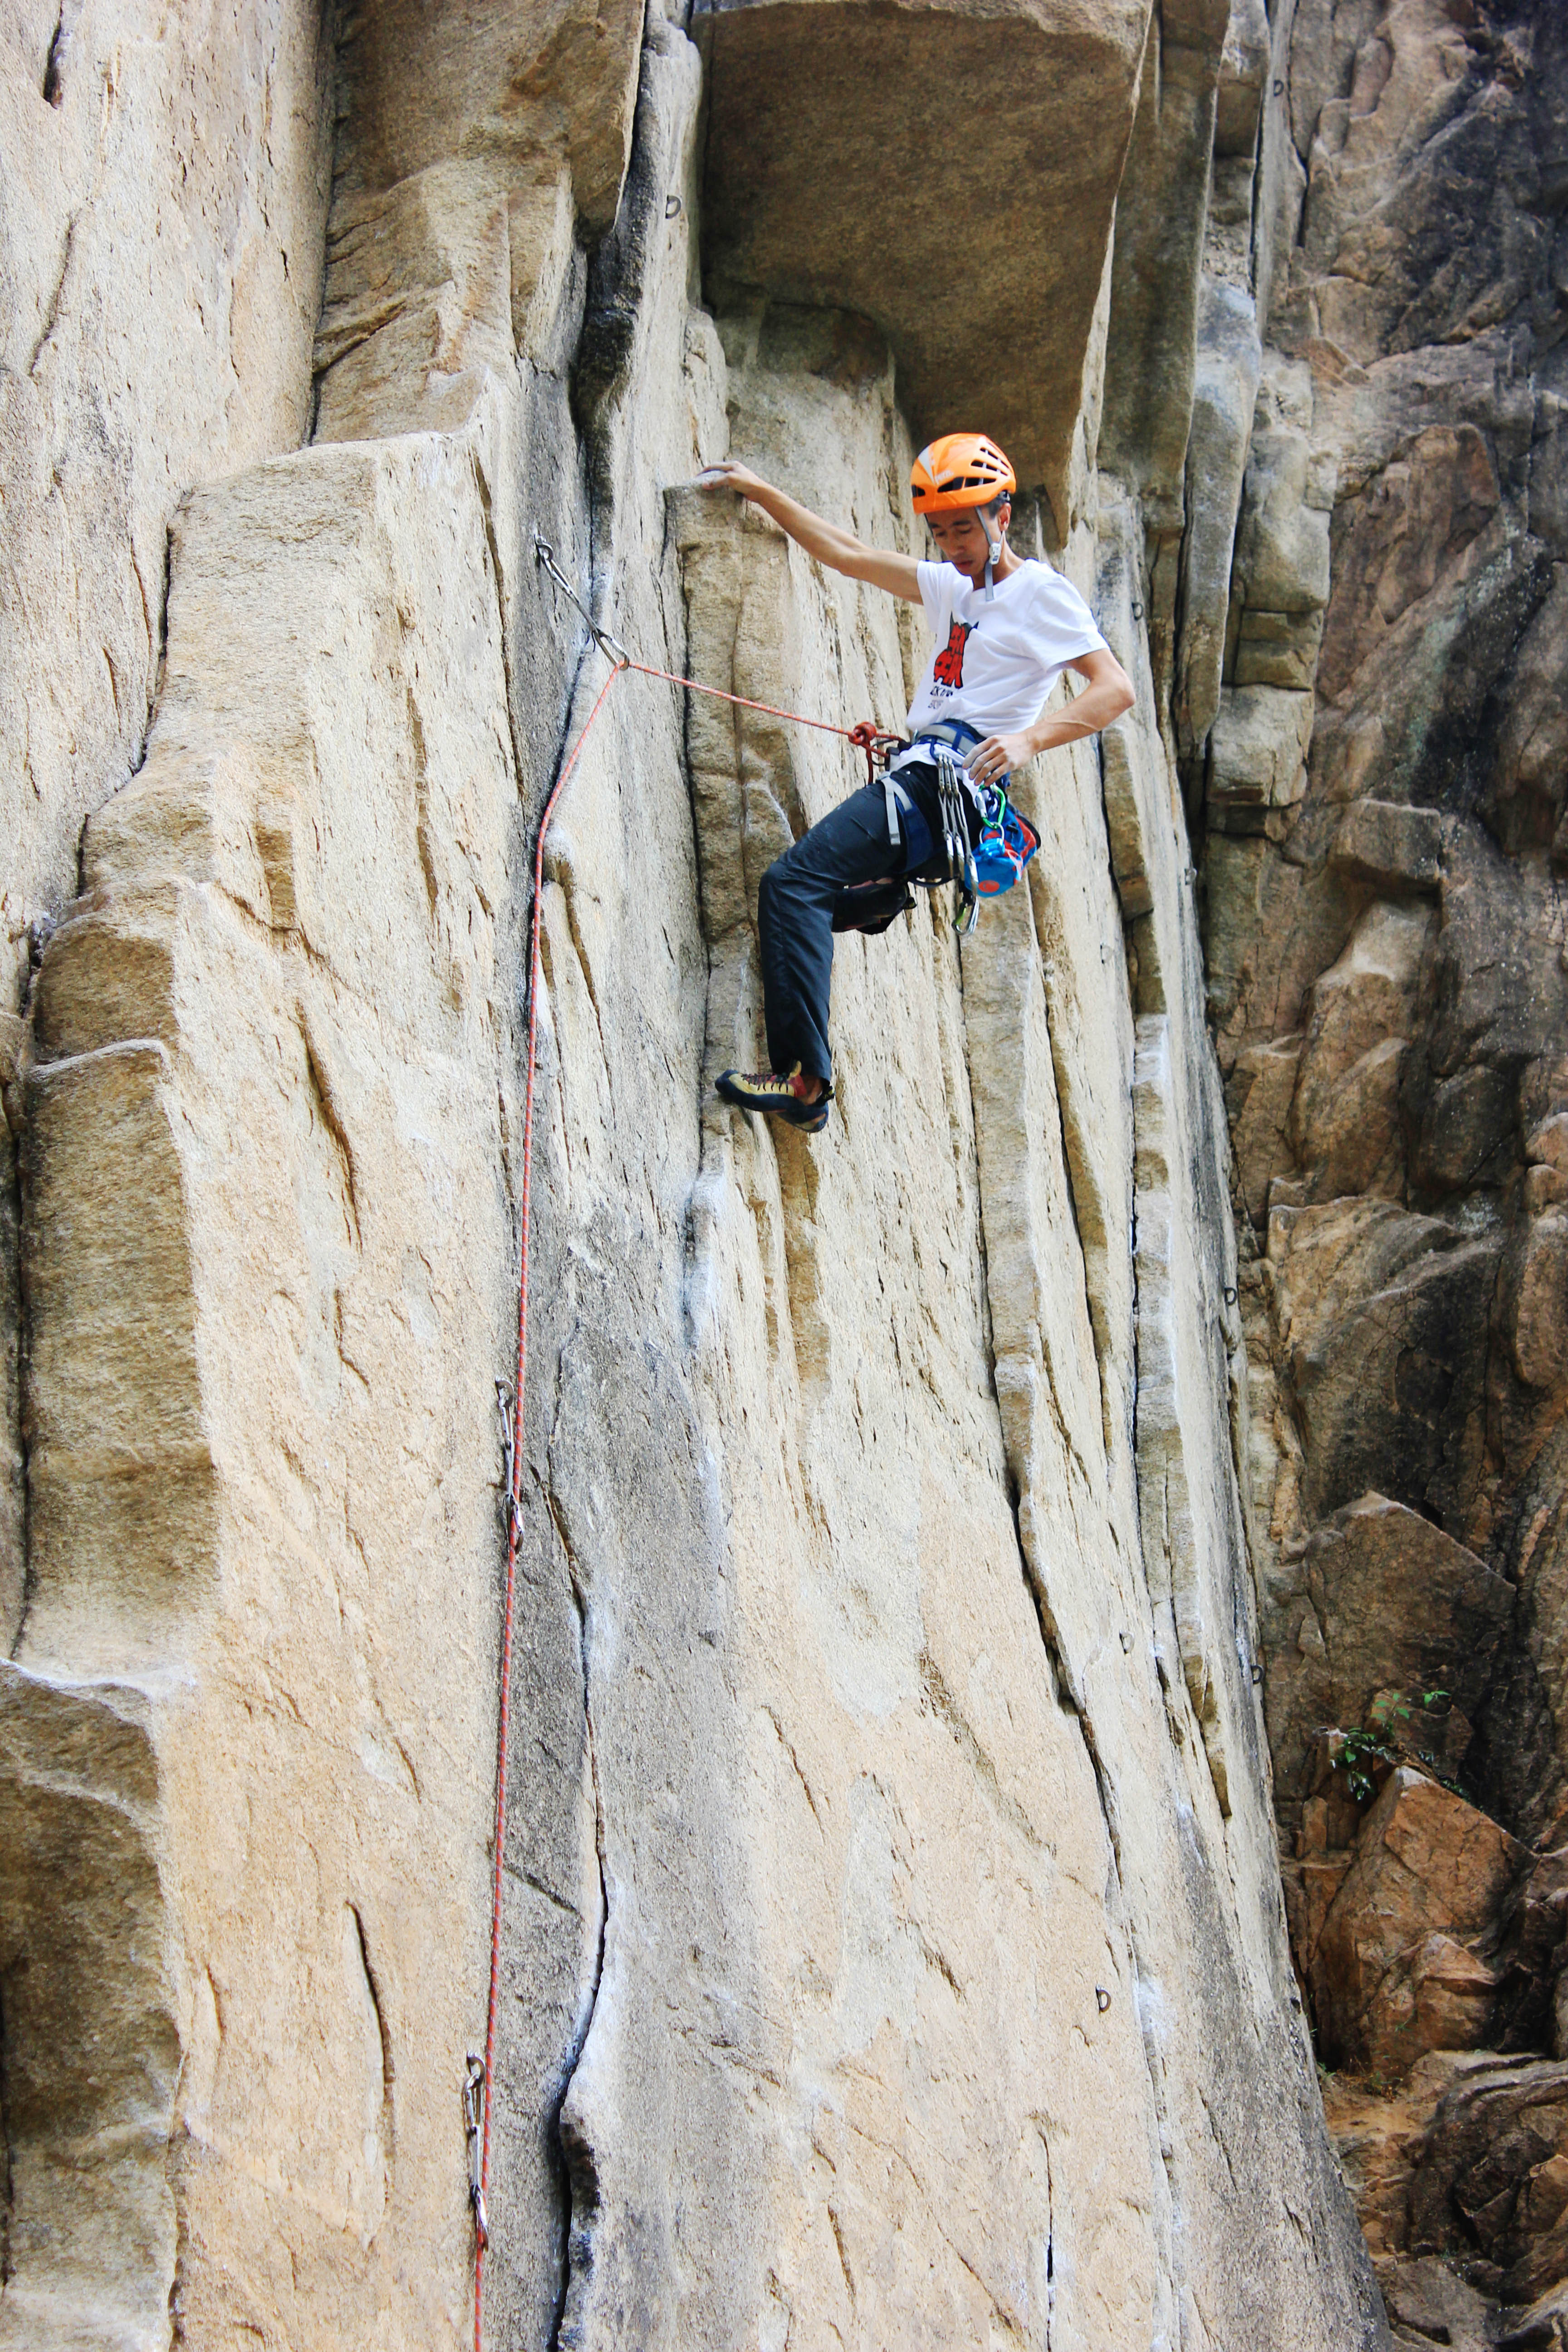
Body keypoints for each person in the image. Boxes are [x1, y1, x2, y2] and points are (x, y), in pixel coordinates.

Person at [700, 433, 1136, 1132]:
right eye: (940, 531)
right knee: (803, 893)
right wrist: (764, 493)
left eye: (965, 526)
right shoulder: (948, 587)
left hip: (944, 790)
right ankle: (868, 898)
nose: (953, 543)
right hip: (924, 775)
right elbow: (848, 555)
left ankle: (806, 1082)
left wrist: (1027, 739)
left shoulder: (1041, 594)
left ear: (1004, 515)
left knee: (791, 884)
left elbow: (1114, 690)